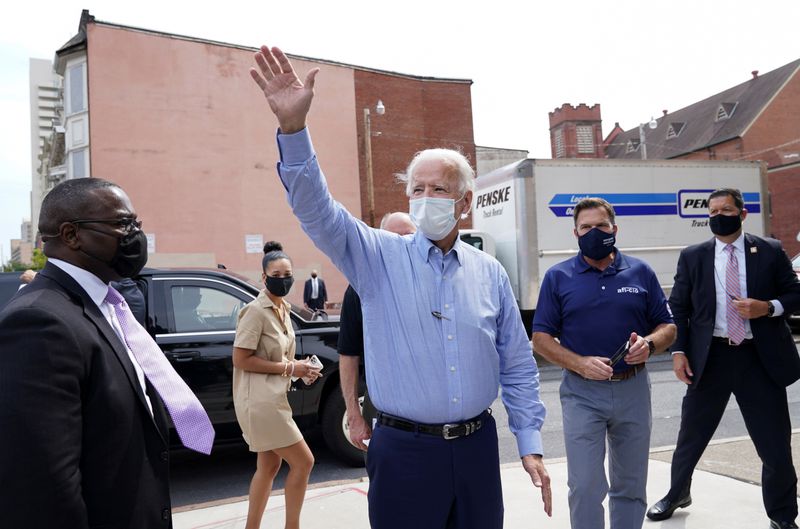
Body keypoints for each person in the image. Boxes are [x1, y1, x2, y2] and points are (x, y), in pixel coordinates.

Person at [249, 45, 551, 529]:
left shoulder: (488, 272)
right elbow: (317, 211)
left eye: (439, 189)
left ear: (465, 202)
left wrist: (530, 443)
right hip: (404, 453)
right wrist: (293, 130)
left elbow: (516, 364)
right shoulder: (376, 257)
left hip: (476, 450)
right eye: (417, 189)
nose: (425, 199)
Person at [0, 177, 214, 529]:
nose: (134, 235)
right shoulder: (38, 321)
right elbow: (42, 485)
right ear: (71, 235)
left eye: (136, 224)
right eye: (121, 223)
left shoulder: (109, 306)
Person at [647, 188, 800, 529]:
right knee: (691, 436)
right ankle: (677, 493)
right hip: (710, 357)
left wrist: (768, 308)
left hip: (758, 358)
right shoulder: (694, 255)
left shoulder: (770, 250)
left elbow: (795, 293)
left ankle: (783, 516)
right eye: (713, 210)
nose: (718, 215)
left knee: (774, 444)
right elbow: (680, 308)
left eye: (726, 209)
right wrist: (679, 352)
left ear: (742, 214)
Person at [532, 197, 676, 529]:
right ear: (575, 233)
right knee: (584, 485)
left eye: (601, 226)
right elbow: (541, 339)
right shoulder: (558, 277)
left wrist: (650, 344)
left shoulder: (640, 271)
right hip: (582, 393)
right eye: (586, 227)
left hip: (633, 389)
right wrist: (579, 363)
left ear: (614, 229)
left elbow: (667, 327)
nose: (594, 232)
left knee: (630, 485)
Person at [232, 241, 322, 529]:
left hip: (274, 398)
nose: (283, 280)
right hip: (261, 403)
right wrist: (289, 367)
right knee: (304, 462)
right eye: (277, 274)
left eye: (288, 275)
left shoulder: (282, 309)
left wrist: (300, 370)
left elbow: (280, 359)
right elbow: (241, 359)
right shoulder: (255, 311)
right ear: (263, 277)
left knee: (269, 466)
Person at [338, 212, 417, 452]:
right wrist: (353, 414)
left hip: (432, 408)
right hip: (384, 407)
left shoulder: (436, 281)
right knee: (387, 478)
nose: (402, 243)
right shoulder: (360, 289)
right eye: (393, 238)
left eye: (408, 236)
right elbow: (348, 355)